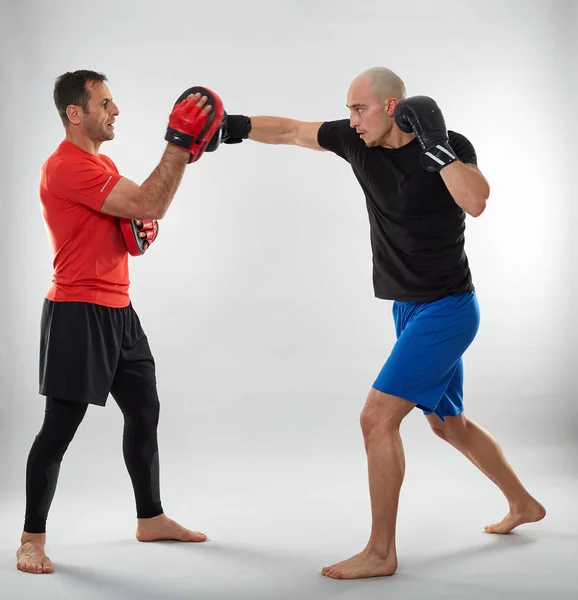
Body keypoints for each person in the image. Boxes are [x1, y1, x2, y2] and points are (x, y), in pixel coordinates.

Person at [219, 66, 546, 580]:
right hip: (409, 309)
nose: (351, 120)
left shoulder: (448, 144)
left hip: (449, 310)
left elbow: (476, 201)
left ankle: (380, 552)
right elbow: (290, 130)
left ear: (391, 106)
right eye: (348, 109)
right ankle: (525, 504)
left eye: (359, 108)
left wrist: (438, 149)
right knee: (447, 424)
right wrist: (231, 126)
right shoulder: (357, 145)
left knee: (377, 419)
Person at [16, 70, 224, 574]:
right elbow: (151, 201)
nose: (115, 111)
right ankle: (31, 539)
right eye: (105, 103)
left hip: (119, 310)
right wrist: (180, 145)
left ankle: (149, 518)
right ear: (76, 113)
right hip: (75, 312)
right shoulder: (65, 167)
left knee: (145, 410)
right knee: (59, 429)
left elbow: (139, 218)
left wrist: (138, 224)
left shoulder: (101, 163)